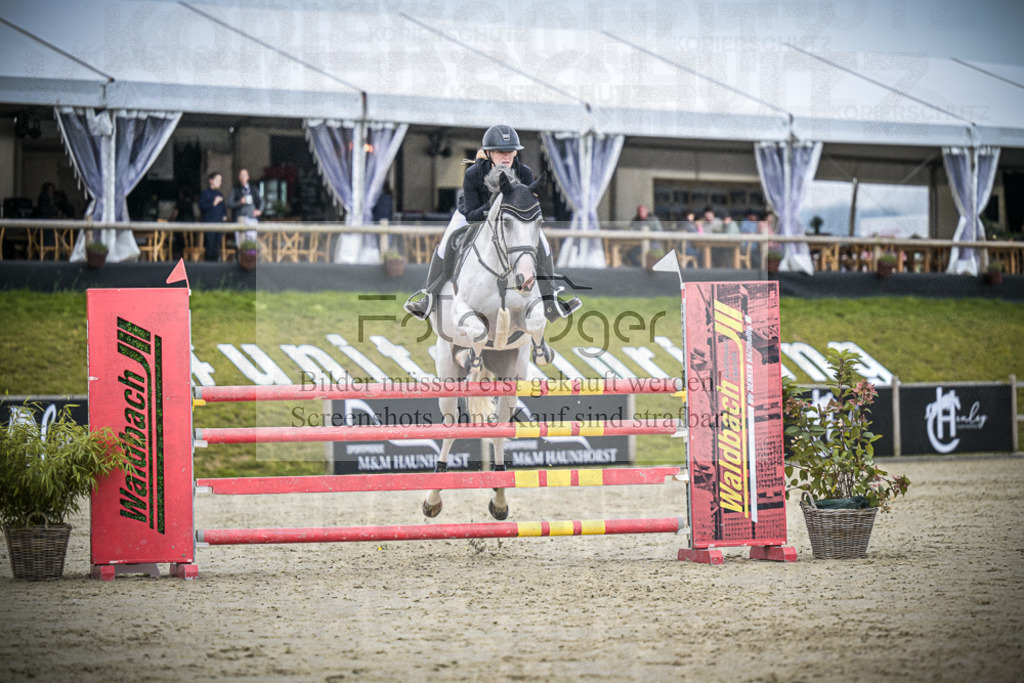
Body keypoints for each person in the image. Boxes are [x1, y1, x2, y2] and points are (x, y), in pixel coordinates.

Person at [403, 124, 581, 324]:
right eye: (500, 152)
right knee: (446, 244)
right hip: (473, 214)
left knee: (544, 245)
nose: (506, 156)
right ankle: (429, 297)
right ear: (488, 153)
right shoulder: (473, 174)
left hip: (512, 221)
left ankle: (551, 299)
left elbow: (527, 205)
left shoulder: (524, 172)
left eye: (510, 151)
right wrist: (493, 210)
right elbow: (471, 214)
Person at [228, 169, 262, 246]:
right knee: (240, 242)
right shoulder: (235, 189)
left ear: (248, 177)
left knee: (252, 241)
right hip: (240, 218)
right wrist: (239, 202)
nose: (243, 177)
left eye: (244, 175)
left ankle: (251, 257)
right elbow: (229, 204)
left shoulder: (253, 189)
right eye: (241, 175)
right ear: (239, 177)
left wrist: (259, 210)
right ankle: (240, 257)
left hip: (251, 217)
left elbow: (261, 201)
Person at [198, 172, 227, 261]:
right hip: (209, 223)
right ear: (211, 181)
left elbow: (223, 208)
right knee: (209, 247)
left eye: (220, 180)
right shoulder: (205, 193)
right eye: (217, 180)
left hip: (219, 224)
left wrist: (224, 216)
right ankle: (209, 268)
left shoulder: (220, 194)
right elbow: (202, 207)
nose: (219, 182)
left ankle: (216, 267)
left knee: (217, 247)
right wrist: (213, 203)